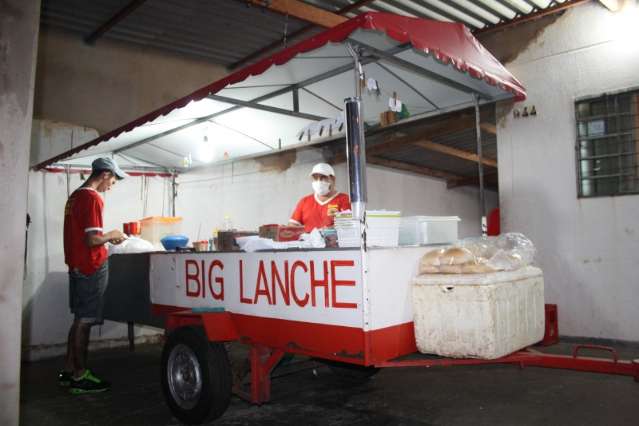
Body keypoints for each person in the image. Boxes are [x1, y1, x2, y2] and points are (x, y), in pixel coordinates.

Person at [58, 157, 128, 394]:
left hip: (77, 265)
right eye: (113, 180)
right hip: (90, 267)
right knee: (85, 321)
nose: (112, 185)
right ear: (105, 174)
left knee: (79, 319)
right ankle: (80, 376)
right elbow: (92, 239)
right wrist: (113, 234)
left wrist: (106, 236)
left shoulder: (75, 196)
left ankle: (68, 371)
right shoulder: (92, 197)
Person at [289, 163, 351, 232]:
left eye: (323, 177)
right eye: (315, 178)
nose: (319, 181)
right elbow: (293, 225)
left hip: (333, 242)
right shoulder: (305, 201)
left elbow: (346, 224)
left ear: (333, 179)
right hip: (308, 242)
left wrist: (322, 232)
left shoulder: (344, 199)